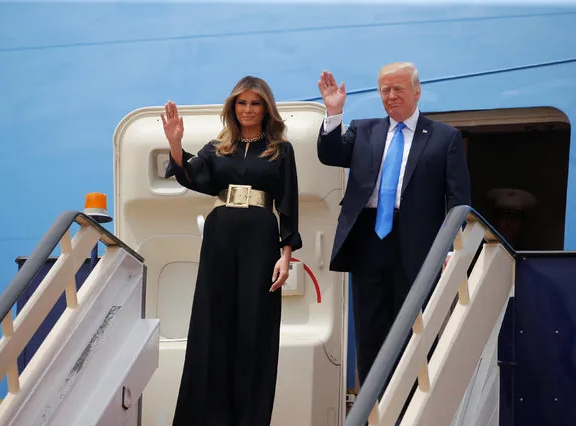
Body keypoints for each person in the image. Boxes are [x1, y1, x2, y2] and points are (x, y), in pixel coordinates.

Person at [316, 62, 471, 387]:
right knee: (370, 331)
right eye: (385, 89)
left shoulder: (445, 137)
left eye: (398, 88)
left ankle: (415, 400)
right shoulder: (363, 129)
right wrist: (333, 113)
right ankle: (375, 405)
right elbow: (330, 155)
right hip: (368, 240)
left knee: (415, 326)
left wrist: (450, 249)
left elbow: (458, 201)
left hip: (417, 243)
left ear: (416, 91)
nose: (390, 95)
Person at [162, 76, 302, 426]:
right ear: (232, 107)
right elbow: (191, 176)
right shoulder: (217, 147)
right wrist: (175, 144)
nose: (248, 110)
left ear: (265, 108)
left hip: (260, 233)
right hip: (220, 232)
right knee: (213, 320)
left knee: (255, 324)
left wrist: (285, 256)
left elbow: (288, 203)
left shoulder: (281, 150)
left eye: (255, 103)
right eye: (242, 103)